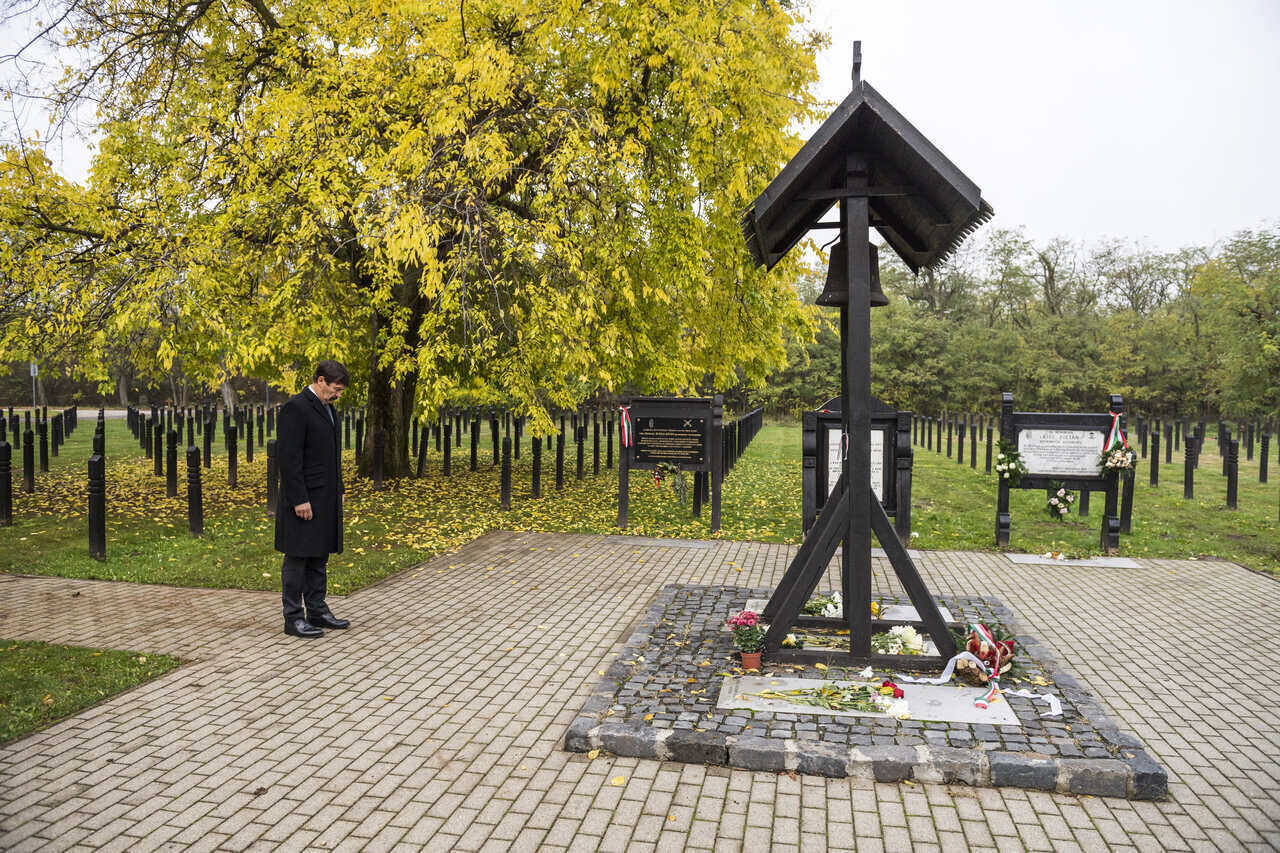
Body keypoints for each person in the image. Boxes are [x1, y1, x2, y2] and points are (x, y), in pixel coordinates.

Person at [275, 360, 350, 637]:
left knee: (319, 556)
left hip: (324, 495)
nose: (338, 394)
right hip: (304, 497)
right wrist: (298, 499)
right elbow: (289, 459)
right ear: (320, 381)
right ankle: (293, 617)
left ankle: (317, 610)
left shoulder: (328, 409)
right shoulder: (296, 408)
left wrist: (338, 488)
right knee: (297, 558)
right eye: (335, 388)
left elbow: (331, 455)